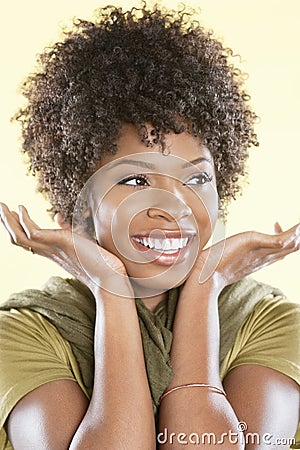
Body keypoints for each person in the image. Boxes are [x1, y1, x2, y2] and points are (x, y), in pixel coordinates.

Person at [0, 3, 299, 449]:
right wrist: (109, 289)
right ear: (77, 208)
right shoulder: (24, 333)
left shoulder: (271, 322)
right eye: (135, 179)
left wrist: (205, 283)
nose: (174, 205)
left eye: (196, 178)